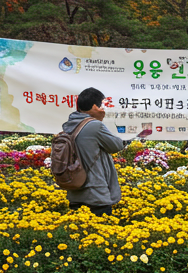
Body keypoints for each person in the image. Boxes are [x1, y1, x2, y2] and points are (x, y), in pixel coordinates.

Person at [60, 87, 144, 215]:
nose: (104, 109)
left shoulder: (70, 125)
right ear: (95, 107)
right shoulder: (94, 125)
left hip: (75, 190)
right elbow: (116, 146)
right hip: (95, 194)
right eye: (103, 105)